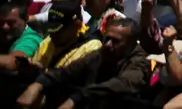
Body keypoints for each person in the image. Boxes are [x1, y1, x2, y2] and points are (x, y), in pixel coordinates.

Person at [17, 17, 150, 109]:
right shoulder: (101, 54)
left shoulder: (138, 61)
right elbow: (66, 72)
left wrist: (77, 98)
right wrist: (38, 84)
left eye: (116, 41)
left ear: (131, 44)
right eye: (107, 38)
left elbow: (123, 84)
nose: (108, 44)